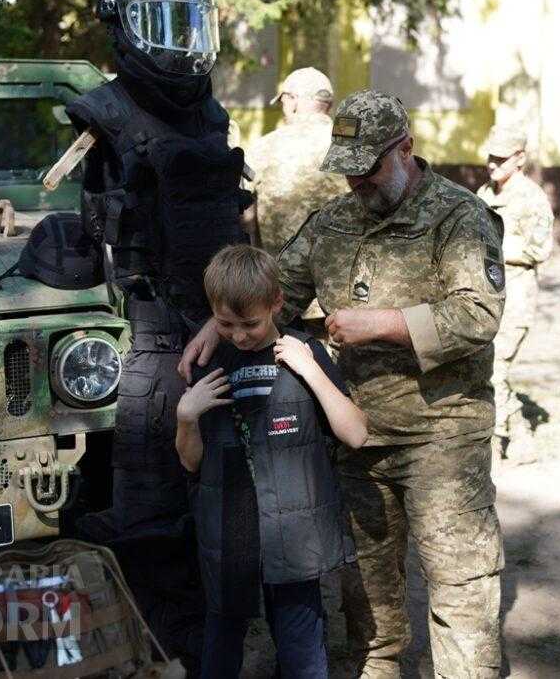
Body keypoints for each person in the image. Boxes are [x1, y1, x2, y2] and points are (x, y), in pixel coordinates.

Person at [180, 89, 507, 677]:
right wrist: (216, 322)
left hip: (441, 435)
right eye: (347, 169)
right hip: (354, 435)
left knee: (459, 589)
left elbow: (479, 315)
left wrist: (382, 324)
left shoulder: (460, 217)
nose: (355, 182)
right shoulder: (332, 222)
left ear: (404, 149)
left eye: (369, 168)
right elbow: (275, 288)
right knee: (368, 601)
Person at [64, 0, 250, 667]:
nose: (179, 38)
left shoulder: (211, 116)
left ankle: (207, 649)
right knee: (147, 522)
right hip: (149, 347)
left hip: (223, 341)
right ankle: (155, 651)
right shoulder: (101, 112)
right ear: (120, 21)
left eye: (188, 16)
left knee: (226, 519)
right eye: (160, 17)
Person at [175, 245, 366, 678]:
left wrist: (312, 370)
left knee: (302, 652)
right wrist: (186, 417)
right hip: (228, 534)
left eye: (251, 324)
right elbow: (191, 465)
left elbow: (355, 433)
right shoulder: (210, 362)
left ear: (276, 303)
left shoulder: (304, 353)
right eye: (225, 324)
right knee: (221, 649)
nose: (240, 336)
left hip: (293, 539)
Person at [476, 121, 555, 458]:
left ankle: (500, 440)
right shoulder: (483, 194)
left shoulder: (532, 199)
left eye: (501, 159)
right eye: (490, 158)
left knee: (495, 369)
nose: (493, 165)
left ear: (520, 158)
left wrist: (494, 248)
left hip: (516, 299)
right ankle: (516, 433)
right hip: (485, 296)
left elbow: (540, 249)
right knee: (483, 367)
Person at [244, 67, 350, 255]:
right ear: (330, 104)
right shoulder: (353, 145)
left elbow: (246, 216)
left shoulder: (265, 147)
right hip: (343, 272)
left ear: (293, 101)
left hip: (281, 276)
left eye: (282, 102)